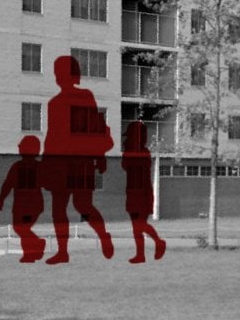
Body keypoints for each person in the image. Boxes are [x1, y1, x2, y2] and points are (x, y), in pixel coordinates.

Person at [42, 55, 114, 264]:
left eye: (60, 71)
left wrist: (98, 156)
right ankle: (63, 251)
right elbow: (51, 137)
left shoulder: (84, 97)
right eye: (57, 71)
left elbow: (93, 128)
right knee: (59, 208)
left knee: (83, 205)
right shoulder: (53, 103)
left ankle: (104, 237)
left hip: (81, 162)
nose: (58, 76)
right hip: (61, 162)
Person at [122, 120, 167, 264]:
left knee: (140, 224)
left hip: (142, 193)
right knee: (136, 227)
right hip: (132, 192)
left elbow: (132, 166)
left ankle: (158, 242)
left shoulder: (143, 152)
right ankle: (140, 254)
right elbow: (125, 166)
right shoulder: (130, 152)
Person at [0, 135, 46, 263]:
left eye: (21, 145)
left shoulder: (18, 167)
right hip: (31, 205)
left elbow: (7, 184)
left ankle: (33, 250)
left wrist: (1, 199)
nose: (18, 147)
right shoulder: (37, 166)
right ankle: (32, 252)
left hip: (26, 206)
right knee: (23, 229)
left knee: (21, 228)